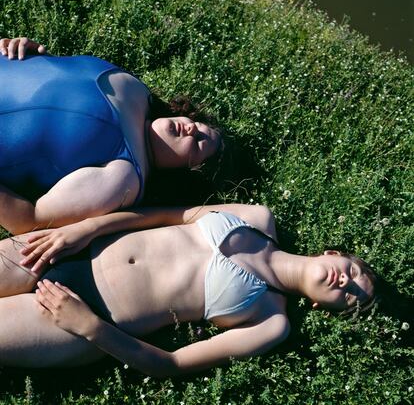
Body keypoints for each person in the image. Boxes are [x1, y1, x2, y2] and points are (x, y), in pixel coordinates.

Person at [0, 204, 375, 375]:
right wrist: (87, 228)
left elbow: (173, 363)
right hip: (67, 251)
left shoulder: (271, 322)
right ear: (333, 254)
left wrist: (89, 327)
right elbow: (166, 215)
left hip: (84, 316)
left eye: (351, 296)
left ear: (319, 307)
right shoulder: (257, 217)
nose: (346, 282)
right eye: (354, 271)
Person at [0, 37, 221, 235]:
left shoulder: (123, 179)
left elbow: (29, 220)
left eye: (199, 143)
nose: (192, 129)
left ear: (185, 175)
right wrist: (31, 54)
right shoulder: (138, 91)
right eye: (199, 125)